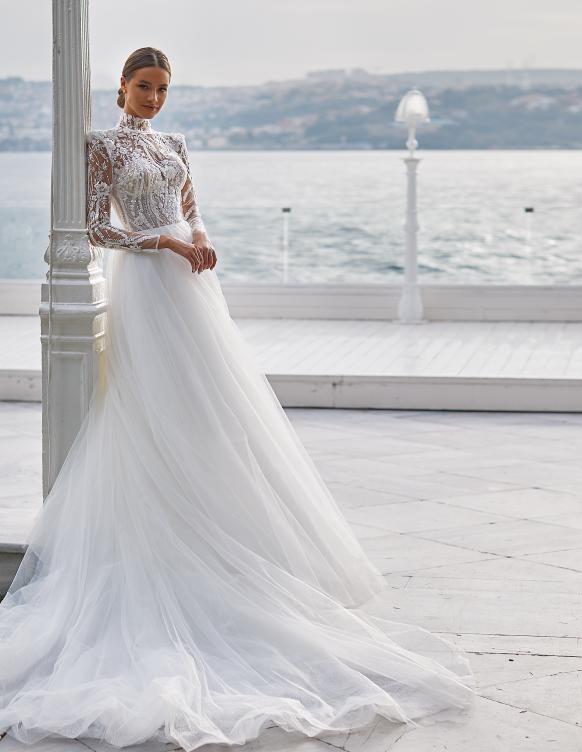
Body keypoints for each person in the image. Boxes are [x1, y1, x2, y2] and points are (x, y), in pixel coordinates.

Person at [0, 47, 476, 751]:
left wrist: (199, 242)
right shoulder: (102, 146)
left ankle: (222, 546)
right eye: (143, 87)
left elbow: (196, 213)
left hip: (190, 287)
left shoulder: (176, 143)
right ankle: (160, 537)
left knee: (211, 414)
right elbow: (96, 228)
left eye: (162, 89)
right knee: (147, 410)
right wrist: (159, 241)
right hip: (146, 284)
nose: (153, 98)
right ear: (122, 88)